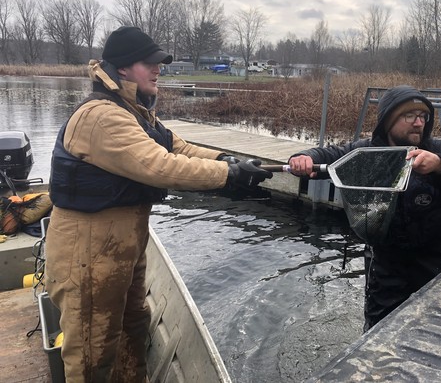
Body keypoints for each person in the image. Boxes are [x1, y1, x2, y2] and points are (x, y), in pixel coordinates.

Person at [45, 26, 272, 382]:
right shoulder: (102, 116)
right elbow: (159, 164)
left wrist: (226, 158)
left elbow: (176, 146)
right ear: (121, 68)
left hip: (123, 250)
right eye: (148, 62)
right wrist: (228, 176)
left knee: (134, 328)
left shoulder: (134, 111)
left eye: (160, 63)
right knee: (92, 353)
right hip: (86, 255)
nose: (158, 69)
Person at [288, 85, 441, 332]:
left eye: (423, 116)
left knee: (436, 334)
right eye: (409, 116)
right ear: (388, 121)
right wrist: (303, 156)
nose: (418, 123)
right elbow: (328, 155)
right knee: (377, 337)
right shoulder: (366, 152)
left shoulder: (440, 150)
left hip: (437, 263)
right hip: (385, 267)